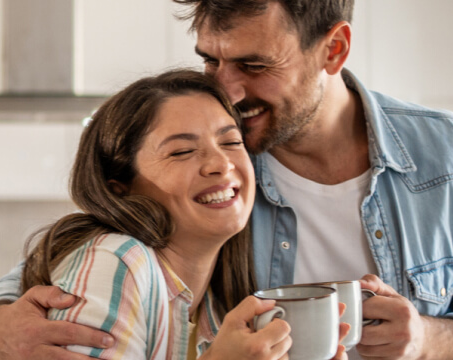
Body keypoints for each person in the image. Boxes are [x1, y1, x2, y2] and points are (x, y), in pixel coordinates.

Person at [0, 1, 453, 359]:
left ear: (333, 49)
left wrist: (424, 341)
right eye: (211, 61)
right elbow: (49, 278)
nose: (227, 89)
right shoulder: (220, 172)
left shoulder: (447, 153)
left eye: (254, 65)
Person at [21, 69, 345, 360]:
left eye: (231, 141)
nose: (221, 163)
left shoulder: (216, 304)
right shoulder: (117, 262)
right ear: (120, 186)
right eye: (182, 151)